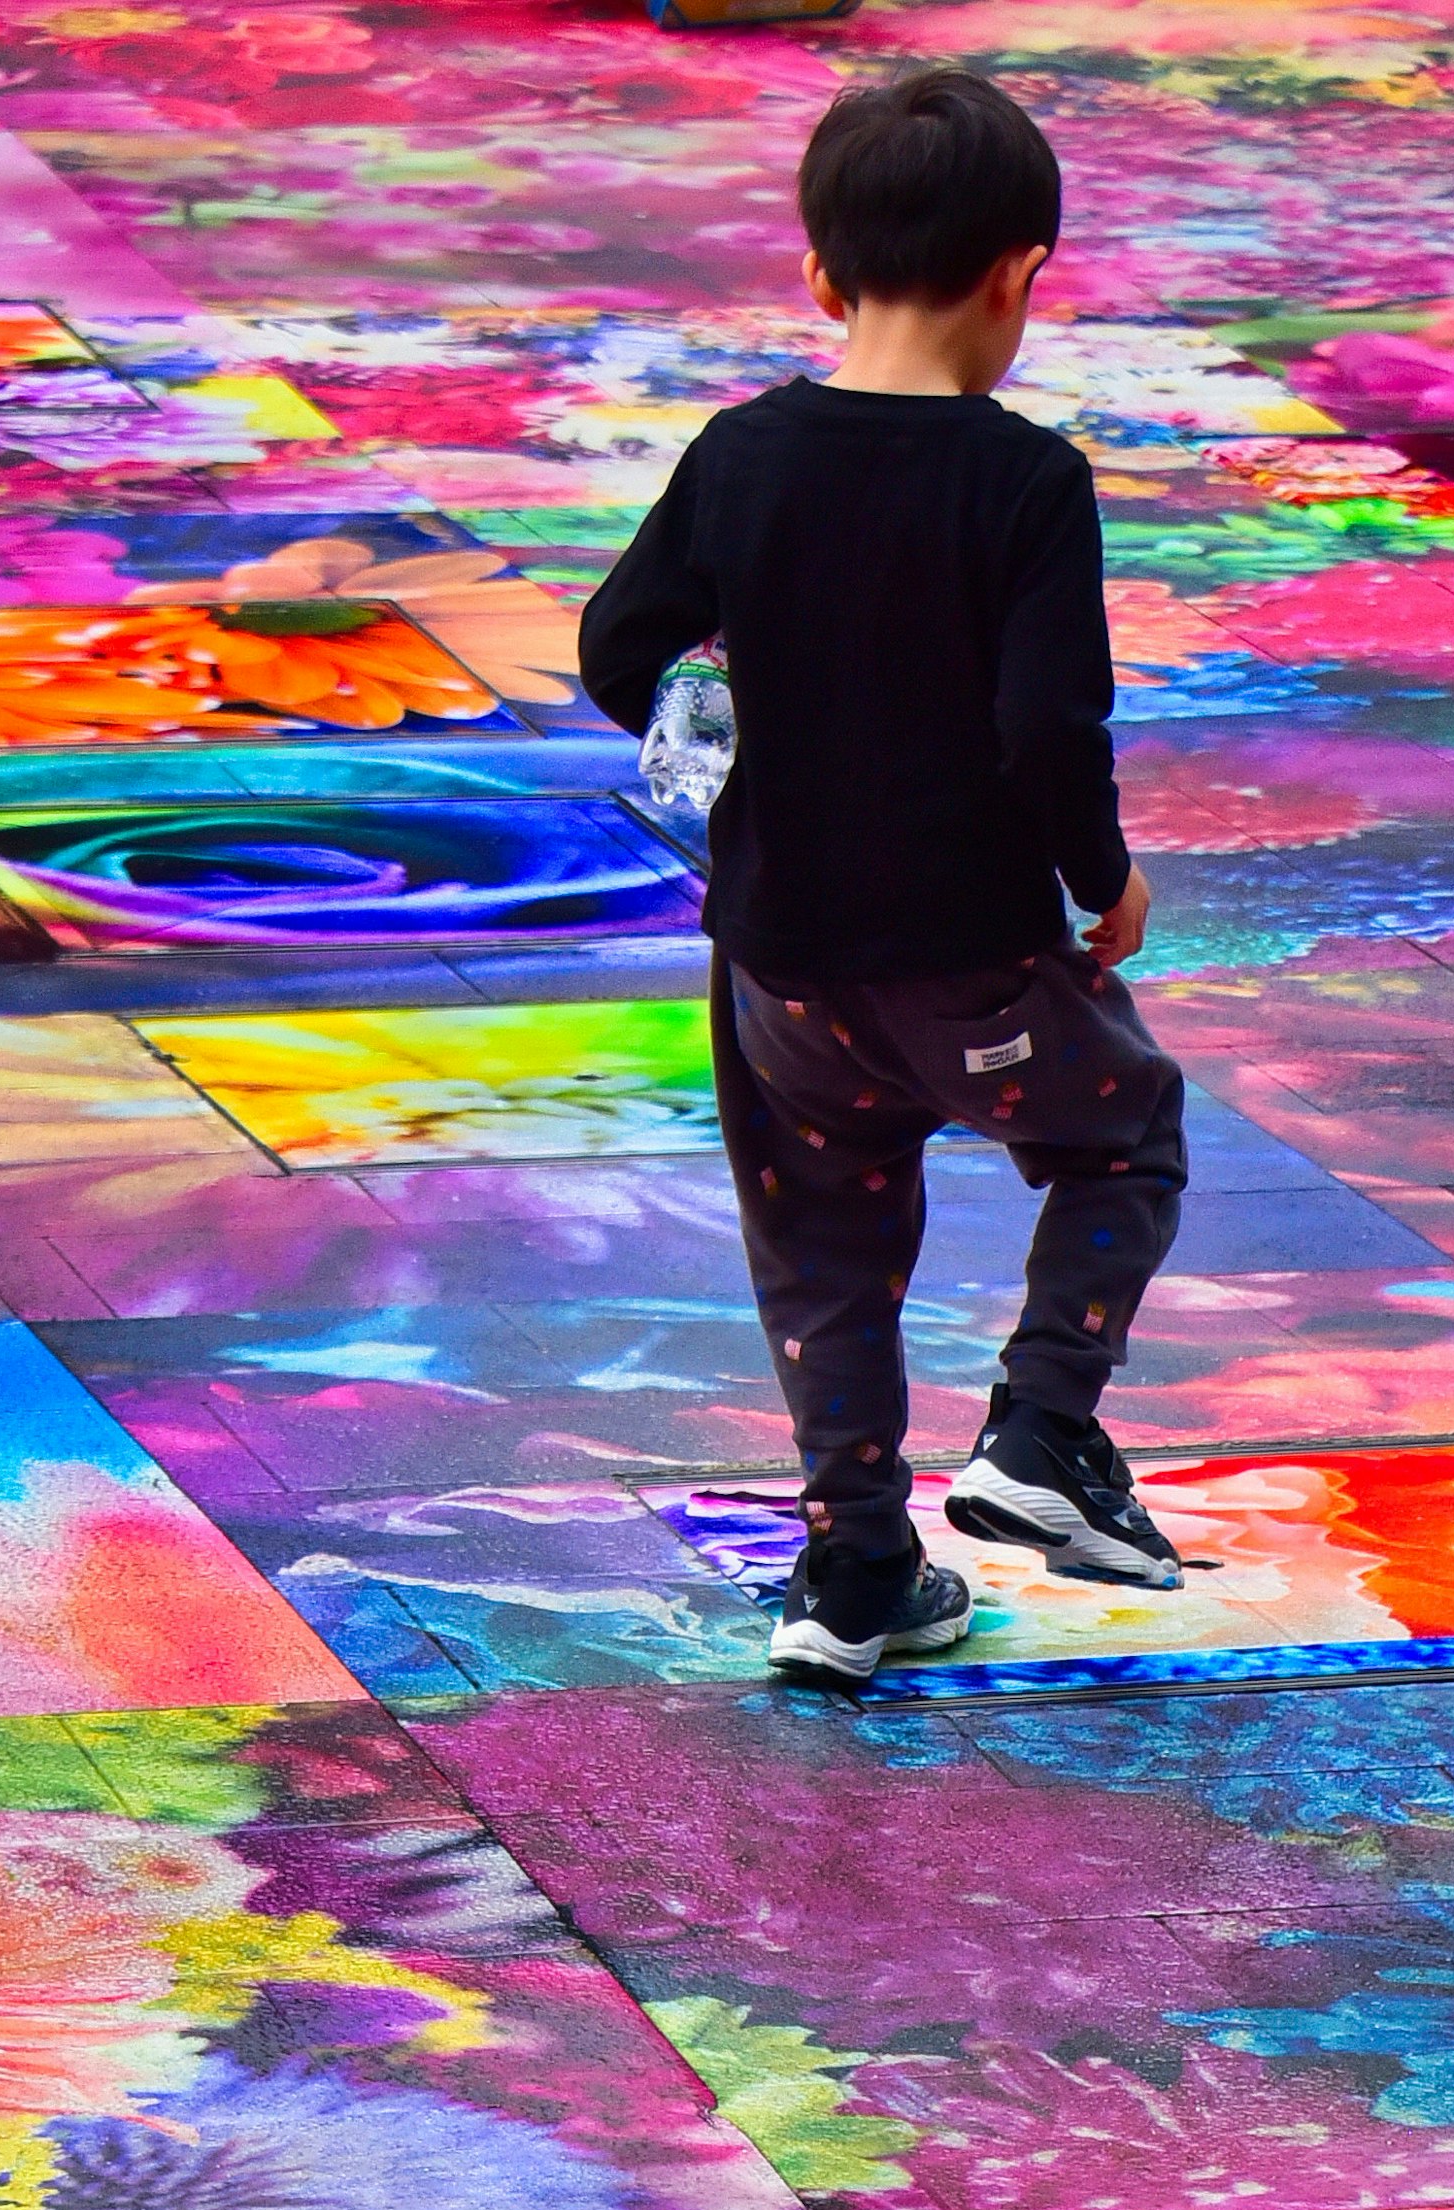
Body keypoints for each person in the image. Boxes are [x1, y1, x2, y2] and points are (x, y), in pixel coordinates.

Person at [577, 64, 1187, 1686]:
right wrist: (1099, 877)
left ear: (819, 278)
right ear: (1020, 276)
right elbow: (1048, 717)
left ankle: (853, 1572)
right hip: (973, 957)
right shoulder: (1025, 480)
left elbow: (616, 648)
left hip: (780, 965)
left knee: (824, 1248)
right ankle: (1043, 1431)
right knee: (1123, 1140)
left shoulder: (742, 453)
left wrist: (731, 716)